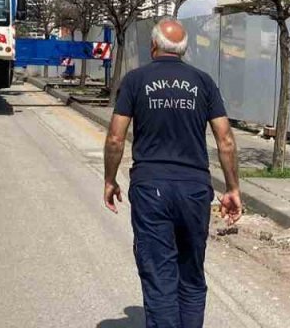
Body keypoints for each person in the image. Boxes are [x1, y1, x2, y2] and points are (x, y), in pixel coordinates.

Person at [103, 18, 242, 328]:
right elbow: (226, 139)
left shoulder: (135, 80)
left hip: (150, 188)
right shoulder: (203, 82)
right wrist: (232, 188)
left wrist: (110, 180)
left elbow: (115, 137)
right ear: (184, 49)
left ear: (153, 46)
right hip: (194, 189)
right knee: (191, 275)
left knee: (160, 276)